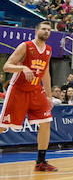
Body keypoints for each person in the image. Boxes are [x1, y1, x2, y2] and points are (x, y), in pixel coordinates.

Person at [1, 21, 57, 171]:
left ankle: (41, 162)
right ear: (36, 30)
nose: (46, 32)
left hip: (36, 91)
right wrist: (23, 67)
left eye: (49, 30)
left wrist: (49, 96)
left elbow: (45, 74)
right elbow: (7, 66)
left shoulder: (48, 50)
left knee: (46, 122)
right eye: (44, 29)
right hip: (18, 90)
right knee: (3, 126)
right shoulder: (25, 46)